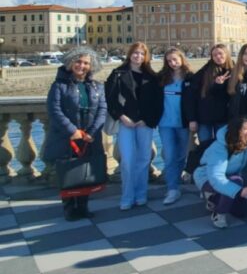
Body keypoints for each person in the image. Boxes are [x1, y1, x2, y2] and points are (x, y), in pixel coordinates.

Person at [44, 47, 107, 221]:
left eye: (86, 63)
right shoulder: (59, 85)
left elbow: (102, 110)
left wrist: (92, 132)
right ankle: (70, 208)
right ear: (71, 63)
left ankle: (83, 206)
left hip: (89, 137)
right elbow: (54, 110)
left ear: (91, 66)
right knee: (68, 171)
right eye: (78, 62)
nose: (82, 66)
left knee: (86, 171)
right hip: (67, 137)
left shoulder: (97, 86)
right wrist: (72, 130)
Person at [105, 42, 163, 211]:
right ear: (130, 54)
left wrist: (147, 119)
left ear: (146, 57)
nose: (138, 56)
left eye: (142, 54)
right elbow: (110, 99)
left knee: (144, 159)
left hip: (145, 123)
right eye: (135, 53)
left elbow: (157, 102)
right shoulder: (118, 74)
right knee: (128, 161)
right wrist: (122, 117)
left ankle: (141, 194)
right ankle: (127, 196)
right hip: (126, 123)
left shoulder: (151, 76)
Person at [194, 117, 247, 228]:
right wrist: (237, 191)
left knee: (241, 212)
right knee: (236, 181)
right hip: (206, 177)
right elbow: (216, 177)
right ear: (237, 130)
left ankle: (213, 199)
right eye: (245, 129)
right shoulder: (220, 147)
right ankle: (219, 214)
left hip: (228, 177)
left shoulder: (246, 146)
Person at [156, 47, 195, 205]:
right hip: (165, 123)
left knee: (181, 156)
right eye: (169, 60)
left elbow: (195, 100)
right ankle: (172, 188)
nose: (173, 63)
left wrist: (193, 119)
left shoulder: (190, 77)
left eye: (175, 59)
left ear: (181, 59)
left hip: (183, 123)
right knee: (170, 155)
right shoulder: (161, 77)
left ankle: (176, 182)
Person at [187, 44, 233, 164]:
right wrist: (192, 118)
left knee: (222, 146)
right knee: (205, 147)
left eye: (220, 54)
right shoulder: (204, 72)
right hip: (204, 118)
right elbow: (192, 96)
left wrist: (219, 86)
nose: (218, 57)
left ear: (226, 54)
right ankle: (204, 171)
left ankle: (220, 171)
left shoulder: (233, 70)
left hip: (223, 117)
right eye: (214, 55)